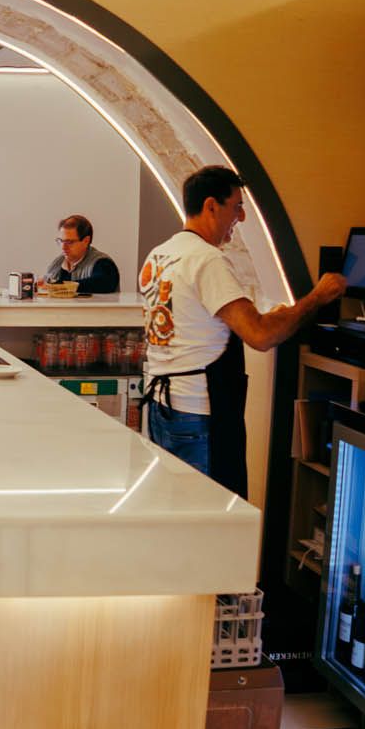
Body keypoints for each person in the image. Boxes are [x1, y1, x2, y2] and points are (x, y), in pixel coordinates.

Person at [139, 167, 346, 495]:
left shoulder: (161, 254)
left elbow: (197, 321)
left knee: (176, 509)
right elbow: (260, 336)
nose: (243, 216)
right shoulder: (207, 260)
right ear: (211, 206)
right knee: (212, 518)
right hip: (201, 413)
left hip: (164, 408)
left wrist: (271, 315)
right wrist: (316, 298)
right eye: (236, 206)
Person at [45, 214, 122, 294]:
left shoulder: (103, 262)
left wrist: (58, 286)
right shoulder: (56, 264)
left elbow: (103, 284)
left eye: (69, 242)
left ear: (86, 241)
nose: (63, 247)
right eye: (60, 241)